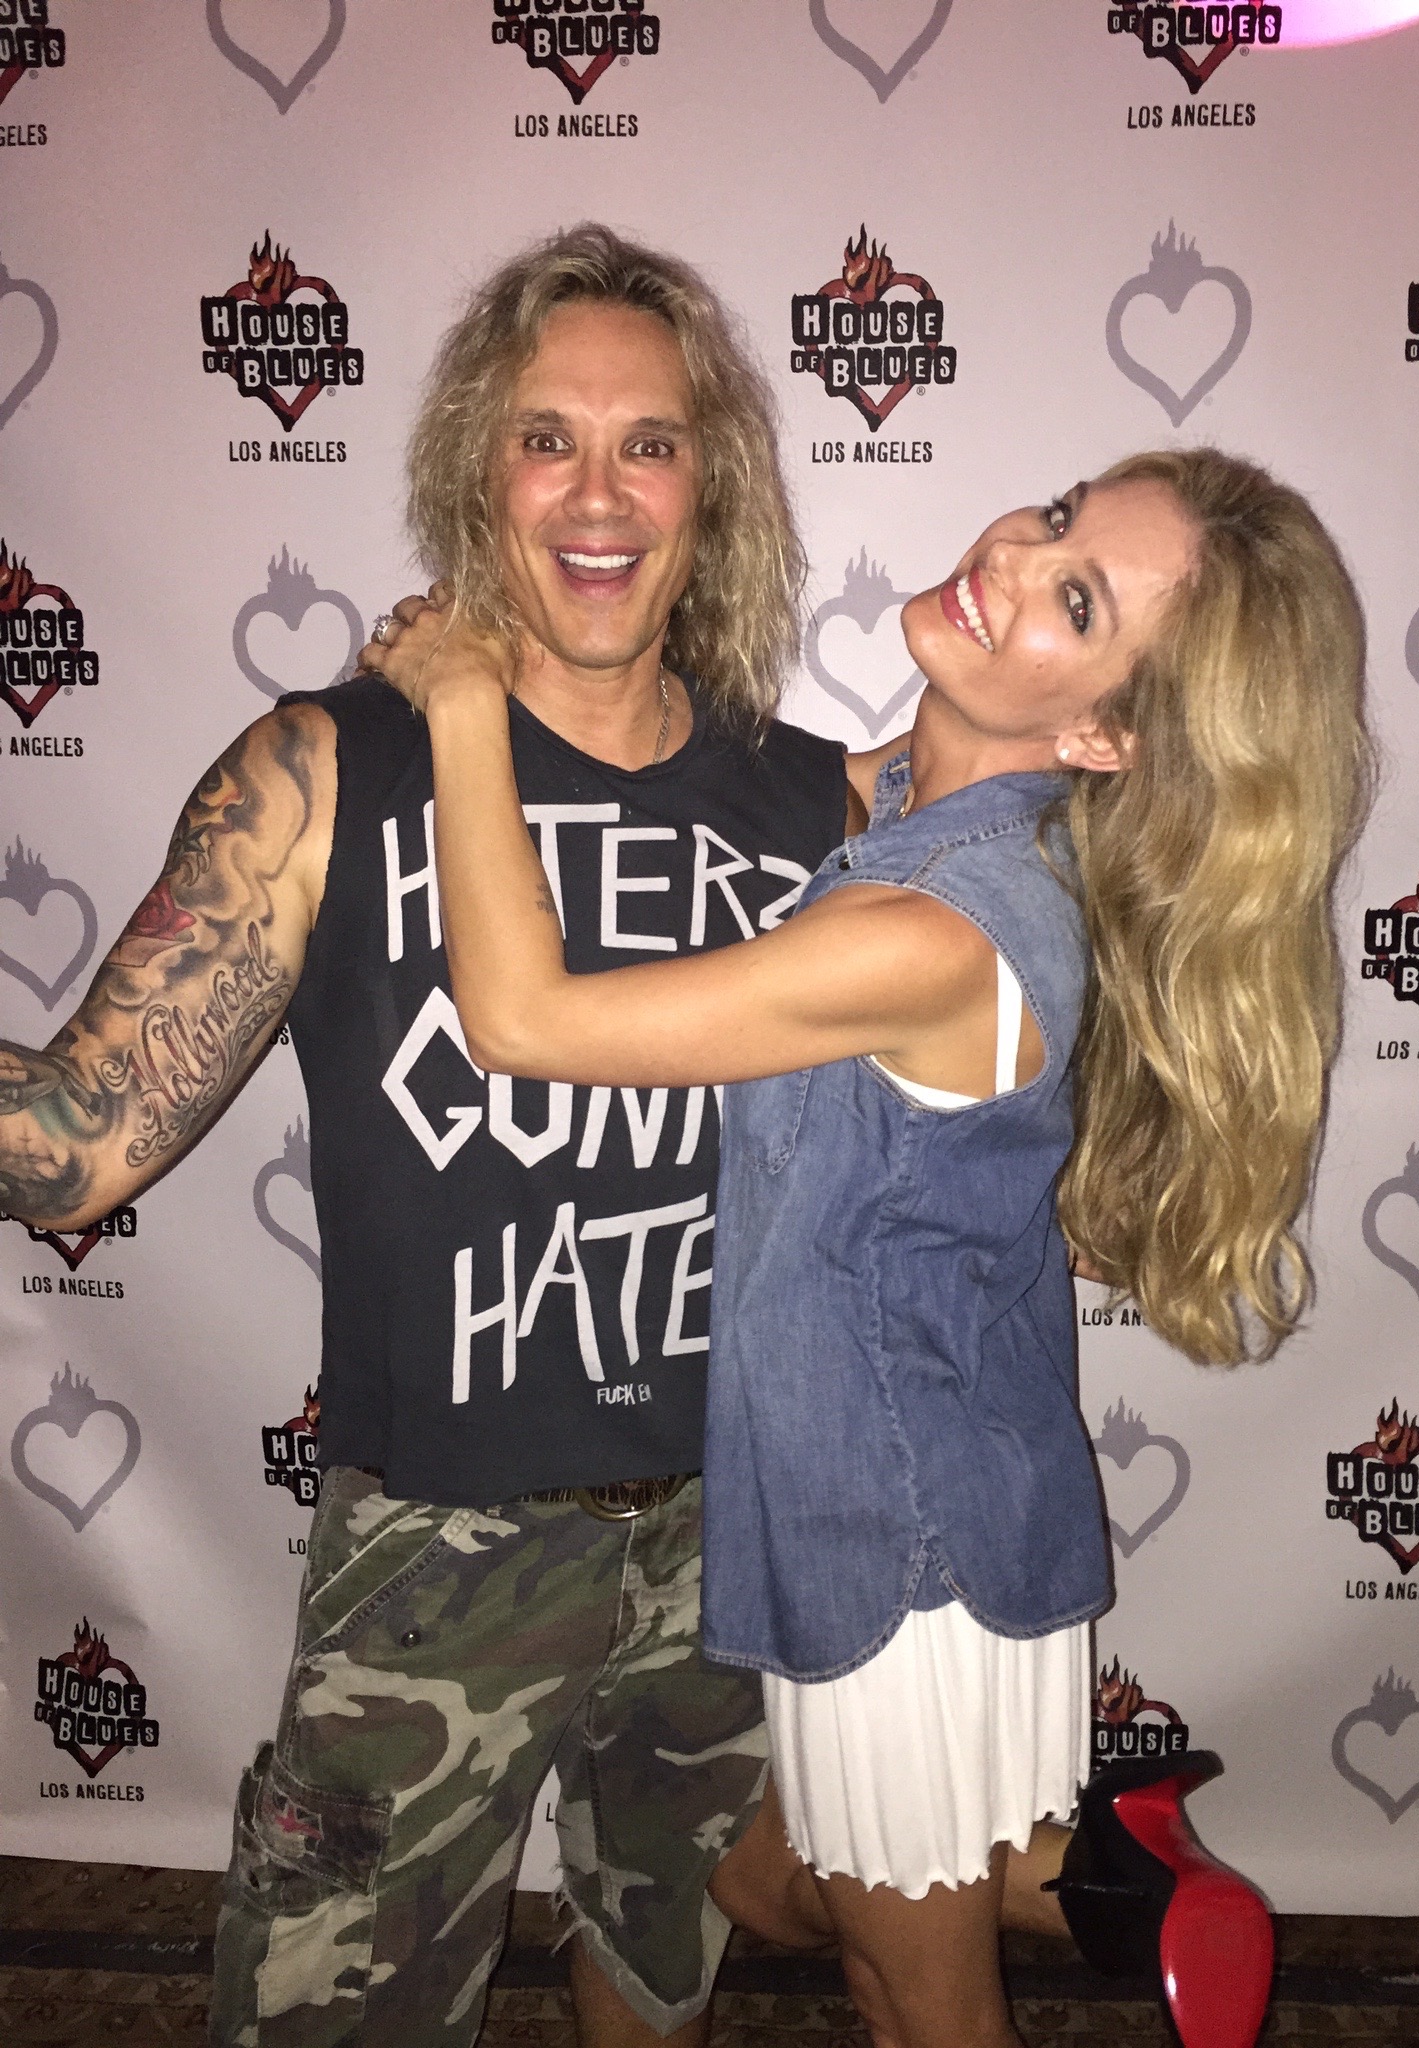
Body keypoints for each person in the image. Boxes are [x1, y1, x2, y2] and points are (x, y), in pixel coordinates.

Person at [363, 444, 1371, 2048]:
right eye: (1053, 526)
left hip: (896, 1554)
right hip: (935, 1505)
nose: (1012, 562)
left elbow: (526, 1018)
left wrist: (466, 703)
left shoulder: (929, 932)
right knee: (770, 1881)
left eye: (1078, 599)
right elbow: (844, 790)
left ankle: (1094, 1874)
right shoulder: (944, 810)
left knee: (910, 2000)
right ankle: (1106, 1874)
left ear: (1104, 732)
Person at [1, 224, 860, 2047]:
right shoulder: (332, 768)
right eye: (549, 438)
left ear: (715, 480)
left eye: (651, 440)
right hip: (439, 1567)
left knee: (660, 1969)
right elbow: (75, 1149)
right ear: (481, 471)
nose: (600, 492)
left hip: (739, 1538)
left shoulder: (813, 800)